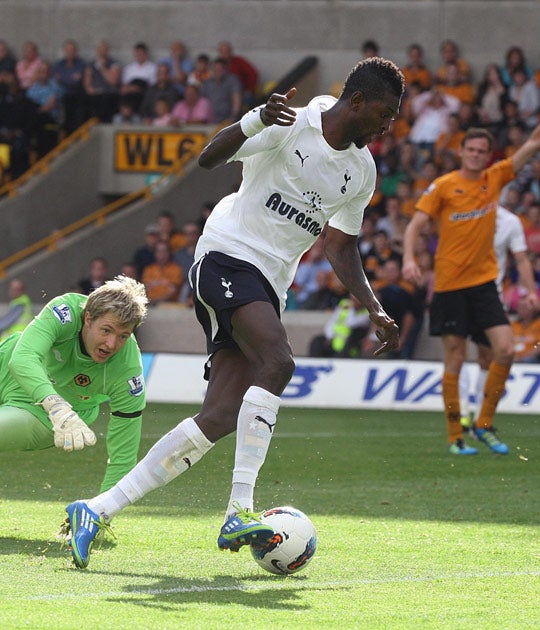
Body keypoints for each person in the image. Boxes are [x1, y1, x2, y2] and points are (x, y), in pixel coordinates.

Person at [64, 56, 404, 569]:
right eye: (385, 113)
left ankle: (97, 508)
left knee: (219, 416)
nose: (389, 125)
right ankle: (239, 509)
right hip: (226, 256)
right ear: (356, 101)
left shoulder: (361, 170)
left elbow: (341, 245)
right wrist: (256, 119)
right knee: (279, 363)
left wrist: (373, 307)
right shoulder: (291, 124)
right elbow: (207, 158)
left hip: (269, 284)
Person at [402, 124, 540, 456]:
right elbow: (416, 225)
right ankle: (455, 435)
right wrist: (409, 258)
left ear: (488, 155)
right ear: (462, 151)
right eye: (472, 150)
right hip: (449, 286)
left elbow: (533, 143)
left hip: (483, 285)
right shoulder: (444, 186)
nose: (477, 156)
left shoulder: (494, 177)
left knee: (504, 350)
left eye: (482, 151)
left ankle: (484, 423)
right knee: (456, 357)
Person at [0, 276, 148, 493]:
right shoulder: (65, 311)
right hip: (8, 368)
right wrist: (56, 405)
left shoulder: (128, 371)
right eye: (106, 330)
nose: (111, 344)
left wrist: (100, 512)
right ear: (88, 318)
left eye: (123, 336)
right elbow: (23, 358)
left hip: (40, 414)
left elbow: (123, 458)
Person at [459, 204, 539, 423]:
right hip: (458, 291)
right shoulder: (462, 212)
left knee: (491, 355)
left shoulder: (510, 221)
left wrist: (531, 291)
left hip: (490, 296)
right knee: (458, 354)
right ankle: (462, 412)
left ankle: (479, 415)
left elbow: (521, 258)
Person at [52, 39, 88, 134]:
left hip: (77, 96)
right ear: (64, 51)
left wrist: (64, 79)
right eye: (68, 50)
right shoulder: (58, 65)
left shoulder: (81, 64)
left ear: (76, 51)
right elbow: (56, 81)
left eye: (72, 50)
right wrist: (71, 79)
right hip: (62, 96)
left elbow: (76, 82)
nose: (70, 52)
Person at [83, 40, 121, 123]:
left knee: (106, 99)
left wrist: (102, 67)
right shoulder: (91, 65)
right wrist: (92, 90)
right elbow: (87, 83)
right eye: (100, 50)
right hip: (95, 94)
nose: (102, 52)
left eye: (104, 50)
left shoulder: (114, 64)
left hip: (109, 93)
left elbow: (113, 81)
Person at [201, 57, 242, 123]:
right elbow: (202, 102)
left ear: (226, 69)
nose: (218, 71)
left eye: (220, 69)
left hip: (227, 118)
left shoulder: (233, 80)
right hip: (210, 119)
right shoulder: (207, 83)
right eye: (215, 69)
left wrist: (233, 117)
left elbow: (236, 100)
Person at [141, 239, 183, 303]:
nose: (161, 254)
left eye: (164, 251)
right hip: (150, 305)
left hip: (169, 305)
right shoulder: (149, 270)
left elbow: (174, 290)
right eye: (159, 251)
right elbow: (146, 289)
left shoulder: (176, 269)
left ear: (169, 253)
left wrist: (160, 300)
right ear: (155, 253)